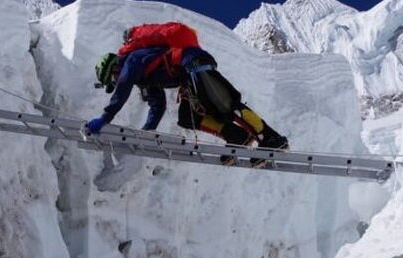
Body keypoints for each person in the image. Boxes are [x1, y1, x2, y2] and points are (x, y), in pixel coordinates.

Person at [83, 22, 288, 165]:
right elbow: (158, 105)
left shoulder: (131, 61)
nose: (115, 82)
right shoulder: (143, 77)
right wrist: (146, 132)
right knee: (187, 117)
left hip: (194, 64)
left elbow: (122, 91)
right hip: (188, 78)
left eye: (112, 79)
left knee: (225, 104)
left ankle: (271, 139)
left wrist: (104, 119)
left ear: (113, 68)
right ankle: (237, 136)